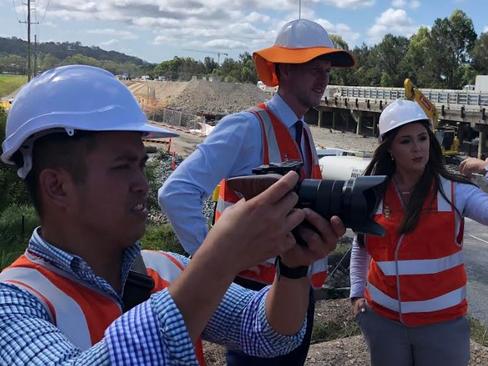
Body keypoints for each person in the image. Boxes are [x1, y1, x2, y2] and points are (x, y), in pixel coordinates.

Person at [0, 64, 344, 365]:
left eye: (141, 163)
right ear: (57, 186)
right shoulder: (13, 301)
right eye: (122, 167)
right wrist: (219, 258)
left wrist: (293, 268)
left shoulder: (166, 269)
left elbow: (268, 334)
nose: (141, 183)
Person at [158, 18, 354, 365]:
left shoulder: (303, 134)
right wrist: (214, 264)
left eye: (326, 70)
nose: (323, 78)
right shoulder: (246, 127)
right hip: (253, 299)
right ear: (284, 71)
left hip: (295, 289)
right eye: (313, 68)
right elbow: (177, 193)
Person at [349, 99, 488, 366]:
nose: (417, 147)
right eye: (406, 141)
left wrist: (487, 169)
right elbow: (361, 245)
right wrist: (356, 293)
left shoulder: (454, 191)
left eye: (422, 138)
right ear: (389, 149)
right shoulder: (374, 193)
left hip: (442, 325)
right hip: (384, 322)